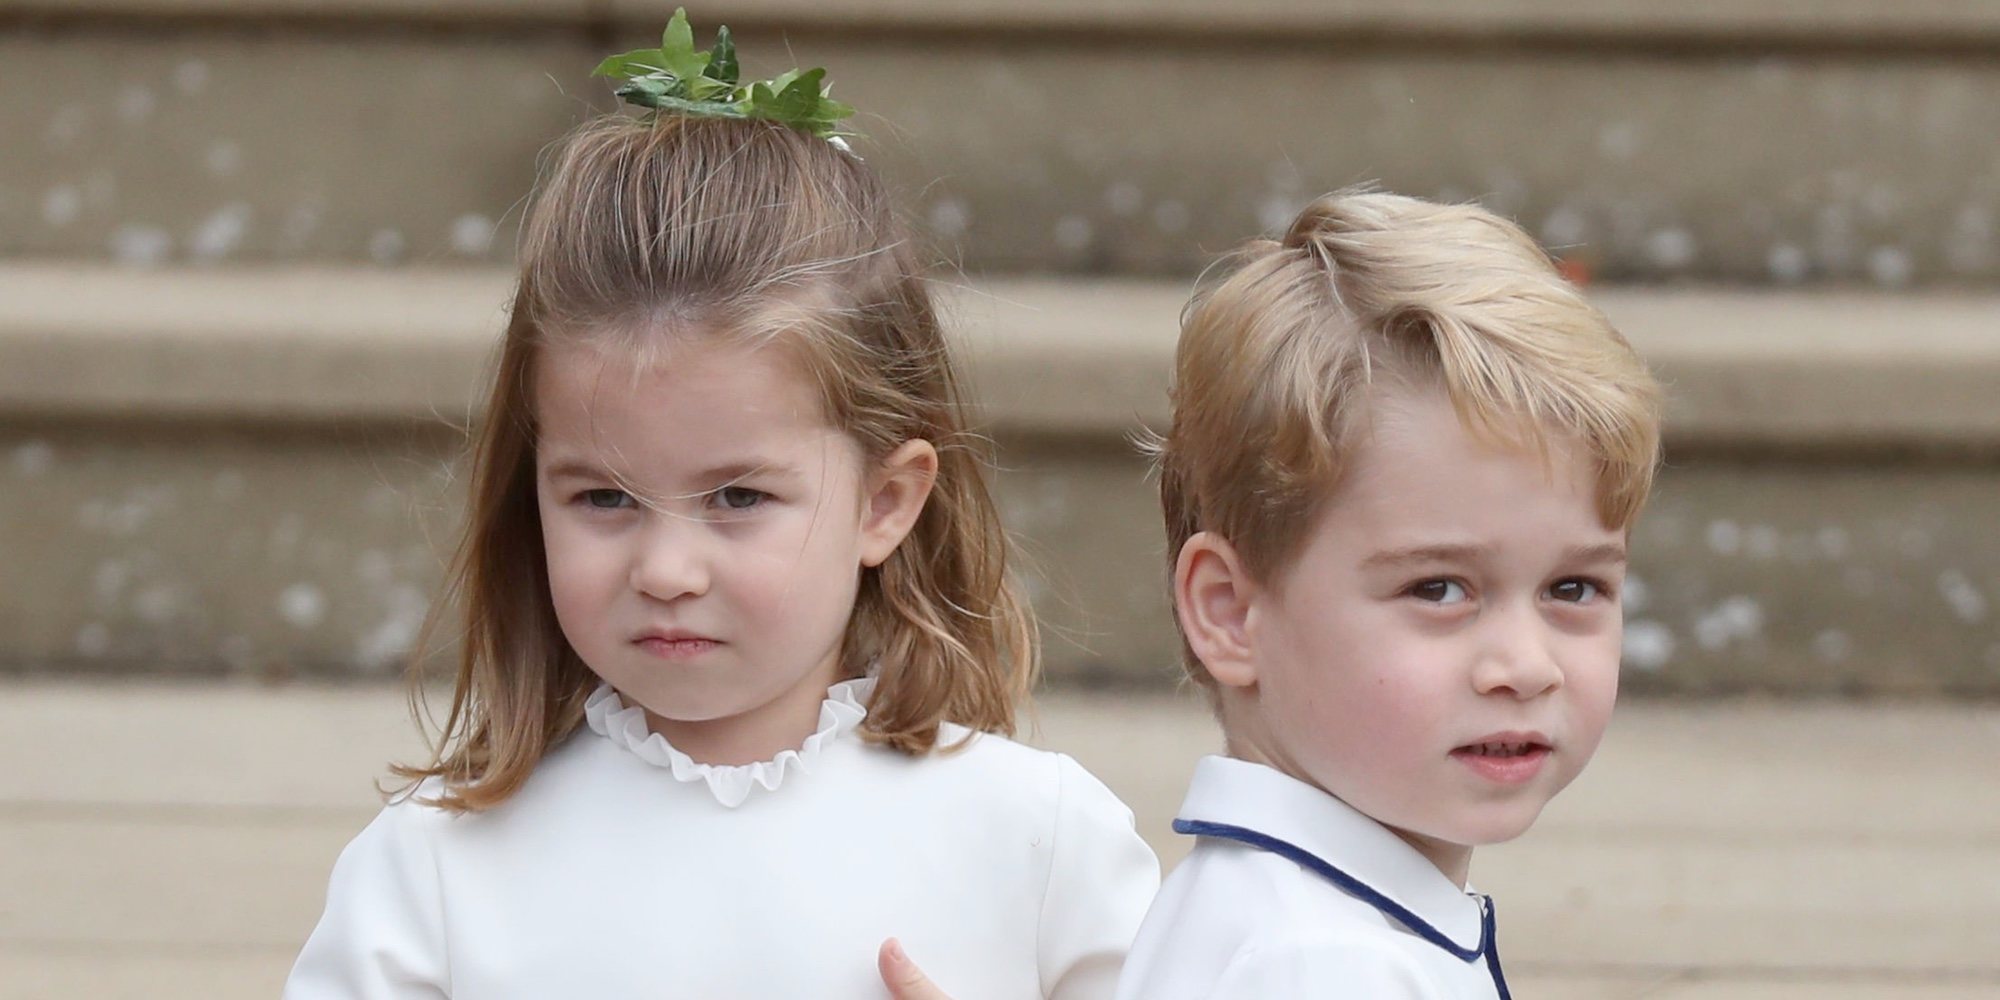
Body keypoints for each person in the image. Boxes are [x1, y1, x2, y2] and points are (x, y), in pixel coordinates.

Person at [284, 15, 1157, 999]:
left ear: (885, 500)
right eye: (602, 497)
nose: (664, 569)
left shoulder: (1037, 845)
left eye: (737, 496)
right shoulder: (434, 874)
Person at [881, 188, 1662, 1000]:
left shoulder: (1306, 920)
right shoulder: (1322, 963)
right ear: (1229, 611)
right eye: (1439, 589)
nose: (1526, 666)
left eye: (1574, 586)